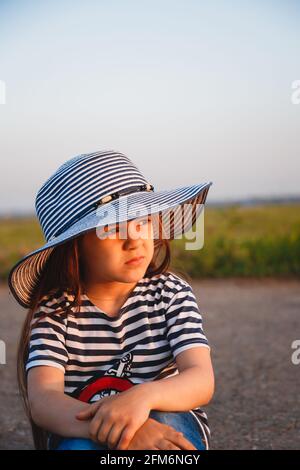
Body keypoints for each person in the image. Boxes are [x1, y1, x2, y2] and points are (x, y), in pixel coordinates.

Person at [8, 150, 214, 450]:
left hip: (165, 420)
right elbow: (45, 400)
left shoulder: (171, 293)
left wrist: (142, 398)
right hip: (84, 426)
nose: (134, 240)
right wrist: (121, 430)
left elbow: (200, 378)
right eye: (113, 227)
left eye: (142, 221)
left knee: (166, 430)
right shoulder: (54, 311)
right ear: (74, 246)